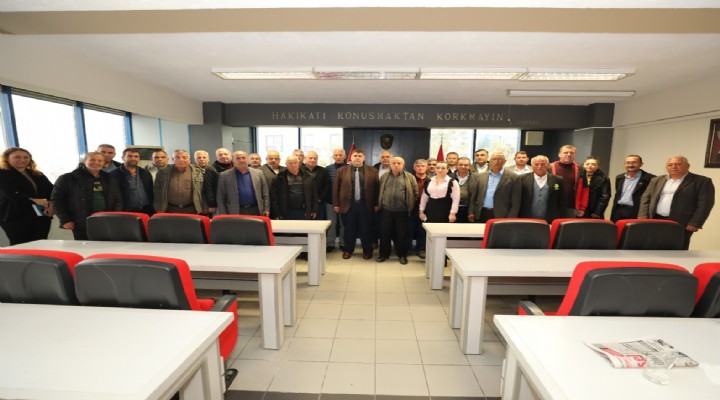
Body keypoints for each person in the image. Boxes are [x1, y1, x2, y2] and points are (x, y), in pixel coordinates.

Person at [639, 156, 715, 250]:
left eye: (678, 164)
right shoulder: (656, 180)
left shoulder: (702, 181)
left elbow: (705, 204)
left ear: (688, 166)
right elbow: (646, 198)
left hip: (682, 222)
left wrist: (695, 223)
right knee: (653, 248)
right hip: (655, 219)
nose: (673, 167)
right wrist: (642, 217)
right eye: (670, 165)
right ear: (666, 167)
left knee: (678, 250)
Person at [52, 152, 122, 240]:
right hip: (81, 222)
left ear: (104, 163)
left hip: (106, 221)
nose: (96, 163)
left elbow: (117, 199)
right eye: (92, 159)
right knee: (85, 246)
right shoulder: (68, 178)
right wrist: (65, 219)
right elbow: (57, 200)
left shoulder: (110, 178)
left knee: (106, 246)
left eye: (100, 160)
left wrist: (115, 217)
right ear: (84, 161)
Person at [0, 147, 54, 245]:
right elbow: (12, 194)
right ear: (7, 158)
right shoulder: (2, 174)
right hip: (15, 215)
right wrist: (36, 201)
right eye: (17, 157)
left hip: (41, 214)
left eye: (26, 157)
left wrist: (51, 205)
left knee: (40, 243)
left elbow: (52, 190)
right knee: (21, 245)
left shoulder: (37, 174)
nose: (22, 160)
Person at [333, 149, 379, 260]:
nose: (357, 158)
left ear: (364, 158)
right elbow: (336, 188)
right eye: (355, 155)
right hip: (348, 205)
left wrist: (377, 204)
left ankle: (367, 250)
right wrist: (336, 204)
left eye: (359, 156)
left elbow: (377, 189)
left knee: (366, 229)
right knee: (349, 229)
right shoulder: (341, 170)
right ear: (351, 158)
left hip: (366, 205)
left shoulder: (373, 171)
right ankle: (348, 250)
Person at [377, 157, 418, 265]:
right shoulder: (384, 176)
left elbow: (415, 193)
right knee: (384, 234)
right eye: (394, 163)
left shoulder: (409, 177)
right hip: (386, 210)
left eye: (399, 163)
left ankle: (402, 255)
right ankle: (383, 254)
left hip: (402, 212)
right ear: (390, 165)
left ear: (403, 164)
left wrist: (408, 204)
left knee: (402, 235)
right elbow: (380, 190)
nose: (396, 165)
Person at [469, 152, 520, 223]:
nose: (496, 161)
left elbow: (516, 202)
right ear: (489, 161)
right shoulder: (480, 176)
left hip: (502, 215)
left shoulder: (514, 177)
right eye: (494, 159)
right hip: (481, 213)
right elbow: (474, 197)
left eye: (499, 159)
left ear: (504, 162)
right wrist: (471, 212)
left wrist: (511, 218)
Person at [216, 151, 269, 216]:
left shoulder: (259, 173)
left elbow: (265, 193)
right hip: (235, 211)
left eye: (243, 158)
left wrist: (266, 209)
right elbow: (220, 197)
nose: (241, 160)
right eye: (238, 158)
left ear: (247, 159)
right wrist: (223, 213)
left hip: (256, 210)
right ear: (233, 160)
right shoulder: (224, 175)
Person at [153, 150, 204, 214]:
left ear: (189, 159)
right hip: (169, 210)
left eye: (184, 157)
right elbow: (157, 192)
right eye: (177, 157)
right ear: (173, 159)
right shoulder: (163, 173)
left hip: (192, 210)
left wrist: (204, 206)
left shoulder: (198, 172)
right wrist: (158, 208)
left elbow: (203, 191)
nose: (181, 160)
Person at [518, 155, 566, 223]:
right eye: (536, 164)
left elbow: (562, 201)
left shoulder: (558, 180)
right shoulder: (522, 179)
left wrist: (562, 218)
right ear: (532, 166)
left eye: (543, 164)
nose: (540, 166)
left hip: (550, 219)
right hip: (527, 219)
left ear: (548, 165)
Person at [610, 154, 655, 222]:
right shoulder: (619, 177)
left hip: (636, 211)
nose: (630, 165)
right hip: (618, 210)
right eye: (628, 163)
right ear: (624, 164)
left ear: (641, 164)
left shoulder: (650, 178)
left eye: (634, 162)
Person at [110, 148, 154, 215]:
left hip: (147, 209)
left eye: (136, 156)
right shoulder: (114, 174)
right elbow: (113, 195)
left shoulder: (145, 172)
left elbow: (150, 191)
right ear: (123, 158)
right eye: (130, 156)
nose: (133, 158)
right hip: (127, 210)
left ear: (139, 158)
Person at [272, 155, 317, 220]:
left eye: (295, 162)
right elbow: (274, 197)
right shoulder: (279, 178)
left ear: (298, 163)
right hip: (286, 211)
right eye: (290, 163)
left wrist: (314, 209)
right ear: (286, 165)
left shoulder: (308, 176)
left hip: (304, 210)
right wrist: (277, 213)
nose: (293, 165)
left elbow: (314, 195)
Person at [324, 148, 346, 252]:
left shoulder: (349, 168)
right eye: (336, 155)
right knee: (331, 224)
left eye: (340, 155)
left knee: (344, 224)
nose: (338, 157)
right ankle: (330, 243)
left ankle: (343, 243)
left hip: (345, 202)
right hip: (330, 201)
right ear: (333, 156)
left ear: (344, 156)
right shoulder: (328, 169)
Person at [408, 159, 430, 259]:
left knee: (422, 230)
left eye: (423, 166)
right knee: (409, 229)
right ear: (414, 167)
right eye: (418, 166)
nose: (420, 168)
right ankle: (408, 248)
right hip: (411, 208)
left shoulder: (431, 180)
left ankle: (421, 249)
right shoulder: (409, 179)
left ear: (426, 168)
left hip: (425, 210)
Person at [550, 145, 579, 218]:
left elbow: (584, 189)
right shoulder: (550, 167)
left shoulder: (580, 169)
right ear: (559, 154)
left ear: (575, 155)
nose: (569, 154)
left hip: (571, 206)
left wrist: (582, 208)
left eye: (571, 153)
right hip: (553, 205)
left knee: (569, 225)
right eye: (566, 152)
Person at [201, 147, 233, 214]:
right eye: (220, 155)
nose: (223, 156)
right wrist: (212, 205)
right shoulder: (211, 169)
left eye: (225, 154)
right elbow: (208, 188)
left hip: (235, 203)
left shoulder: (236, 167)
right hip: (218, 204)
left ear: (230, 155)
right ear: (216, 157)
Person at [453, 157, 480, 223]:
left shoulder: (477, 178)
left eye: (466, 165)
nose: (463, 167)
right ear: (456, 166)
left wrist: (472, 211)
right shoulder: (449, 177)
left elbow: (477, 196)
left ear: (469, 166)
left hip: (469, 210)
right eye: (461, 165)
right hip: (452, 210)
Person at [304, 151, 329, 220]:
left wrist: (320, 198)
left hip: (320, 202)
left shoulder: (323, 171)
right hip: (304, 204)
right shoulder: (300, 170)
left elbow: (327, 186)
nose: (312, 160)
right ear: (305, 159)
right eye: (310, 158)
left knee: (319, 222)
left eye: (315, 158)